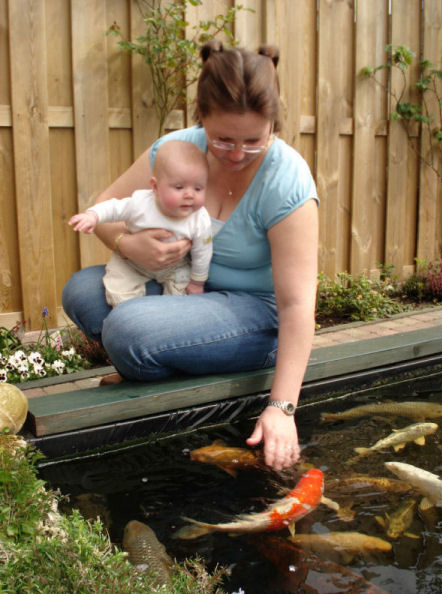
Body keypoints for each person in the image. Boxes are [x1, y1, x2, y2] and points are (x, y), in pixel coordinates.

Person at [62, 41, 319, 472]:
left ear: (274, 123)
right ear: (201, 117)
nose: (237, 155)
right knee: (83, 291)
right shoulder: (175, 149)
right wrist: (127, 244)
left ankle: (161, 352)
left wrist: (282, 407)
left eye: (254, 141)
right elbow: (104, 207)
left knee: (129, 328)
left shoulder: (287, 179)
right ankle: (171, 351)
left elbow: (297, 304)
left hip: (257, 313)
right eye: (222, 140)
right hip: (186, 286)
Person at [68, 140, 212, 305]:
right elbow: (114, 208)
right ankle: (128, 313)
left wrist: (197, 282)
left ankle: (169, 318)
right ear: (155, 187)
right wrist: (93, 216)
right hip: (132, 262)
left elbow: (203, 252)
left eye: (198, 189)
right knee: (117, 285)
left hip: (175, 266)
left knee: (184, 293)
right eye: (179, 187)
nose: (189, 195)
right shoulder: (141, 203)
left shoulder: (199, 218)